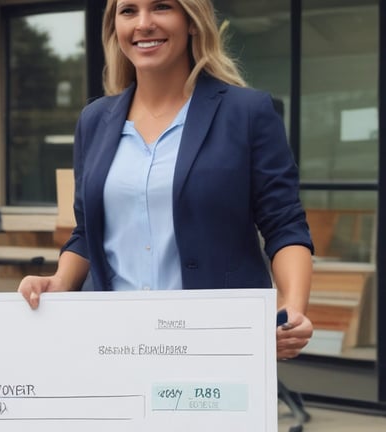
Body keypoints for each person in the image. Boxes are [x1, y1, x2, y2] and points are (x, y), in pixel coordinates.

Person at [17, 0, 314, 360]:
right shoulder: (94, 121)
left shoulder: (248, 113)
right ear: (115, 28)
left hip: (215, 341)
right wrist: (60, 282)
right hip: (114, 341)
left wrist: (292, 309)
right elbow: (87, 232)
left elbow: (284, 225)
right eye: (128, 11)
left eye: (161, 7)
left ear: (191, 21)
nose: (144, 24)